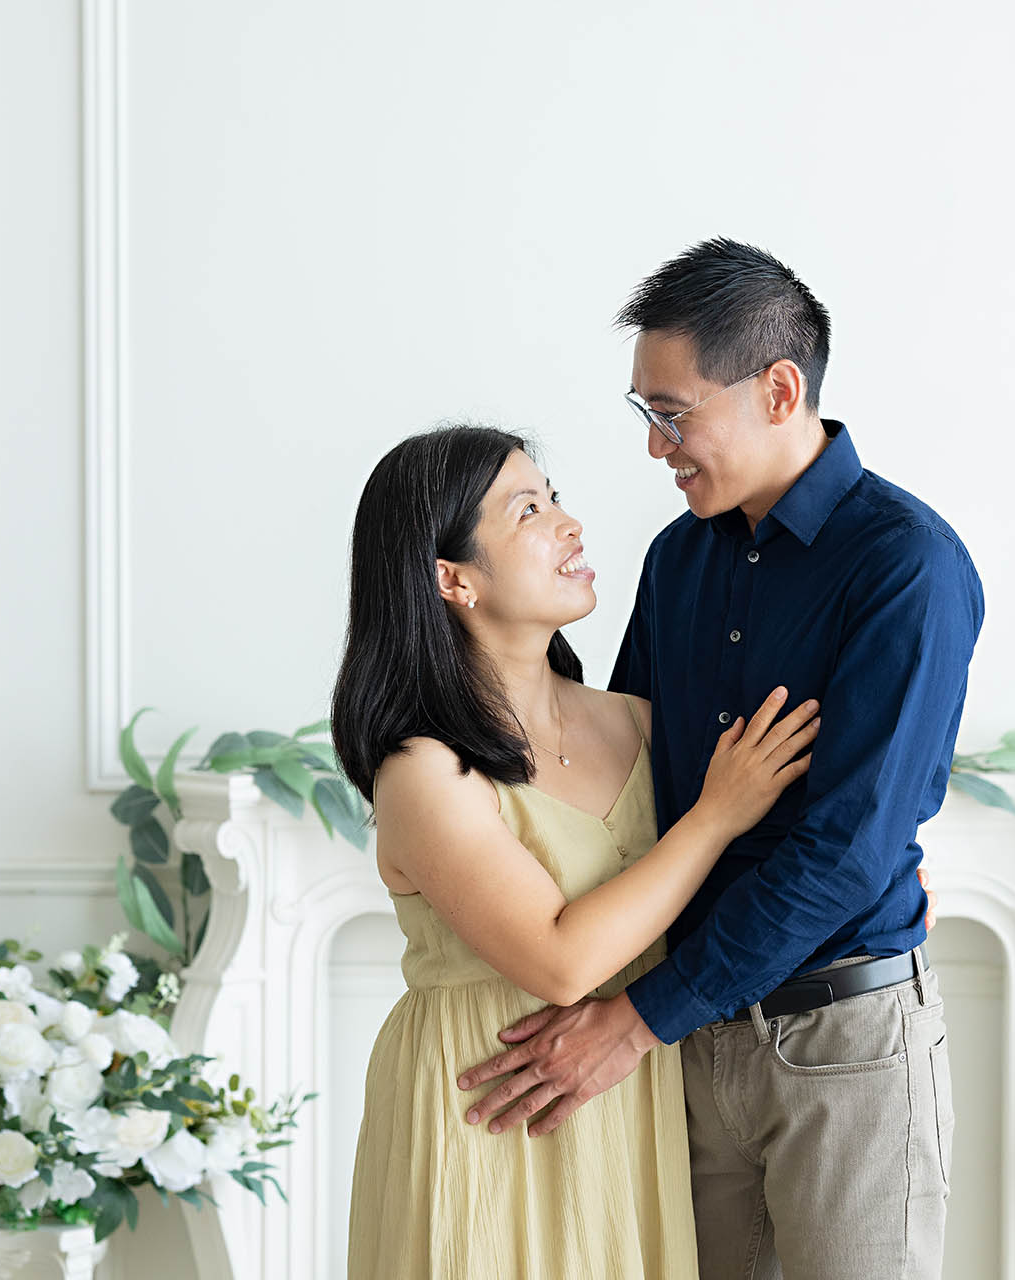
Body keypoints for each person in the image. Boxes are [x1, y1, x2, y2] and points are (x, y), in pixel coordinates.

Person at [457, 239, 986, 1278]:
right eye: (644, 413)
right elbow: (629, 786)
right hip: (688, 1052)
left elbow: (844, 852)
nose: (657, 447)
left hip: (845, 1045)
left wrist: (636, 1020)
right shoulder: (677, 556)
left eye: (673, 411)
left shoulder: (906, 566)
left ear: (779, 388)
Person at [332, 423, 822, 1279]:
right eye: (529, 510)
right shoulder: (423, 770)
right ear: (453, 579)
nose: (570, 525)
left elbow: (738, 877)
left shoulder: (635, 719)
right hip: (486, 1110)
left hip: (633, 1098)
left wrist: (876, 885)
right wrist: (715, 816)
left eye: (555, 498)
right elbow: (559, 961)